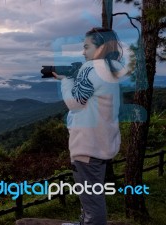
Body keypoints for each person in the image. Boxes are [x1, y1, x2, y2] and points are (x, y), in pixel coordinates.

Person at [53, 27, 127, 225]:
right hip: (102, 142)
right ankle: (84, 221)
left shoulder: (92, 68)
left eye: (87, 47)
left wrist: (66, 80)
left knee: (91, 199)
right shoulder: (110, 68)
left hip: (88, 145)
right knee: (91, 193)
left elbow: (74, 103)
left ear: (100, 47)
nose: (83, 52)